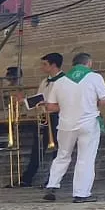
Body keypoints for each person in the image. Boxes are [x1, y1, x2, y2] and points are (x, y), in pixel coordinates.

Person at [46, 53, 105, 203]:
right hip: (88, 123)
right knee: (85, 158)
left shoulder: (60, 81)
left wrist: (68, 106)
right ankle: (81, 193)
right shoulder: (95, 77)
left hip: (66, 124)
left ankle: (52, 184)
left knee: (62, 155)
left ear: (73, 65)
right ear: (89, 63)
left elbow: (51, 106)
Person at [24, 53, 64, 188]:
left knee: (57, 150)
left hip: (57, 117)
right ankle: (27, 177)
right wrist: (27, 101)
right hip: (43, 117)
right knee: (37, 147)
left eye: (45, 64)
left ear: (53, 65)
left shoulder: (64, 81)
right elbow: (39, 97)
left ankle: (53, 180)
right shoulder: (44, 81)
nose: (42, 67)